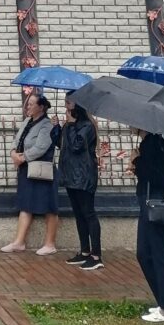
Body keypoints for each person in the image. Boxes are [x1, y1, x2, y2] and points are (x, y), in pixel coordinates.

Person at [129, 128, 164, 324]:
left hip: (154, 204)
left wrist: (137, 161)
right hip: (149, 202)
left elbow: (158, 175)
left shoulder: (153, 144)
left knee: (156, 253)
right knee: (145, 253)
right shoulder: (152, 143)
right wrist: (138, 165)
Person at [1, 93, 59, 255]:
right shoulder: (27, 121)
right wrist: (14, 153)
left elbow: (41, 147)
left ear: (41, 107)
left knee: (49, 207)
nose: (28, 106)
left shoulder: (47, 125)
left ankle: (50, 244)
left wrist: (22, 158)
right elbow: (17, 139)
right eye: (28, 104)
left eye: (31, 104)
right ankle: (19, 242)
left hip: (41, 170)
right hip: (26, 168)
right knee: (25, 204)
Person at [53, 98, 101, 270]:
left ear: (78, 105)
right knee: (79, 214)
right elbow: (61, 145)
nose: (66, 106)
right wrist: (57, 128)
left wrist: (71, 125)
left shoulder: (87, 126)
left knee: (88, 213)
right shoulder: (71, 124)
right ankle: (85, 251)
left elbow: (76, 146)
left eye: (69, 102)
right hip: (70, 175)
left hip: (84, 175)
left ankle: (96, 255)